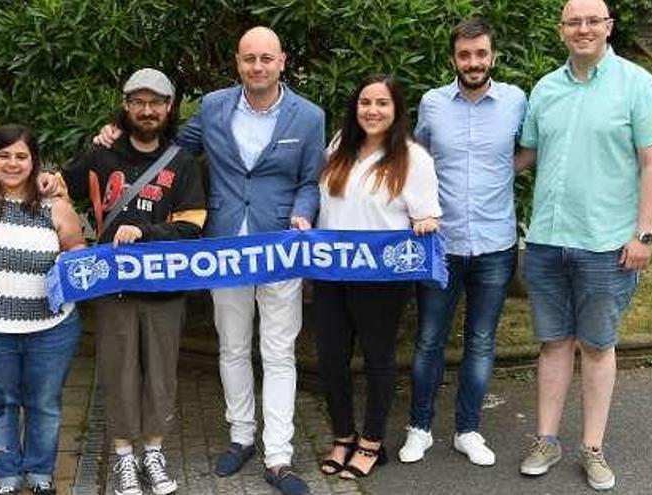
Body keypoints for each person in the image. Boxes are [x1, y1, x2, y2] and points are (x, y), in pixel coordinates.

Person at [96, 26, 325, 495]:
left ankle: (278, 455)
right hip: (222, 249)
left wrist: (303, 216)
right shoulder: (215, 106)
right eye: (248, 59)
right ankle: (241, 436)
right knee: (233, 346)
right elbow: (168, 151)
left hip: (279, 246)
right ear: (237, 63)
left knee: (279, 352)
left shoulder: (309, 117)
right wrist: (114, 130)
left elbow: (310, 179)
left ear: (282, 61)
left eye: (266, 58)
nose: (257, 66)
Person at [515, 0, 652, 490]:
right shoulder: (545, 88)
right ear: (562, 30)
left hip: (607, 245)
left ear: (607, 27)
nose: (582, 29)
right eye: (573, 21)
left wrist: (643, 234)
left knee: (598, 346)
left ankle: (592, 447)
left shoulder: (637, 84)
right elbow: (525, 155)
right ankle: (545, 440)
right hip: (545, 241)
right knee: (553, 343)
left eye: (592, 21)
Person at [59, 68, 206, 495]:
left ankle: (154, 453)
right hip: (113, 288)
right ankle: (124, 457)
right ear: (126, 106)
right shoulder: (102, 154)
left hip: (165, 287)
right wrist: (69, 236)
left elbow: (193, 225)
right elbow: (58, 189)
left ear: (169, 108)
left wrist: (146, 231)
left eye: (156, 103)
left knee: (161, 376)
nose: (147, 110)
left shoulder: (183, 162)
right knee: (119, 372)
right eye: (138, 102)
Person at [399, 18, 527, 467]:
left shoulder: (516, 101)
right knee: (429, 340)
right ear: (453, 58)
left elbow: (529, 149)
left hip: (495, 244)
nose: (473, 62)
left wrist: (501, 175)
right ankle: (420, 428)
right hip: (441, 244)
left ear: (493, 56)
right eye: (464, 55)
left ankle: (468, 430)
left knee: (481, 341)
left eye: (481, 54)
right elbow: (418, 154)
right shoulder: (432, 103)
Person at [315, 74, 440, 480]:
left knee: (378, 361)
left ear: (396, 110)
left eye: (382, 103)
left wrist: (425, 223)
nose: (372, 110)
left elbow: (427, 214)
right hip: (331, 273)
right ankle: (343, 437)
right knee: (332, 359)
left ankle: (371, 442)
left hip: (382, 281)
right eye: (365, 102)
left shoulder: (412, 157)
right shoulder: (338, 147)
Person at [0, 124, 85, 495]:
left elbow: (75, 251)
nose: (12, 163)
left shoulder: (54, 206)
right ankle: (6, 475)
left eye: (21, 156)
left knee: (44, 404)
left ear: (34, 161)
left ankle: (40, 474)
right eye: (4, 155)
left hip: (51, 328)